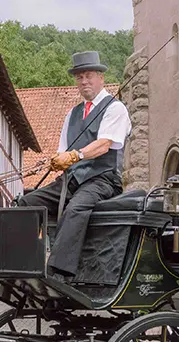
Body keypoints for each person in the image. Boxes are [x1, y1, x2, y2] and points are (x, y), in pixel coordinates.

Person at [18, 51, 132, 279]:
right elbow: (63, 151)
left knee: (75, 209)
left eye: (89, 75)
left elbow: (104, 145)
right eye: (79, 77)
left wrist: (74, 157)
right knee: (27, 203)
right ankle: (25, 264)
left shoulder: (114, 107)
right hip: (72, 180)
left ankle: (59, 272)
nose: (84, 81)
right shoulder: (73, 113)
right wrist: (56, 161)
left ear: (101, 77)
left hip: (102, 180)